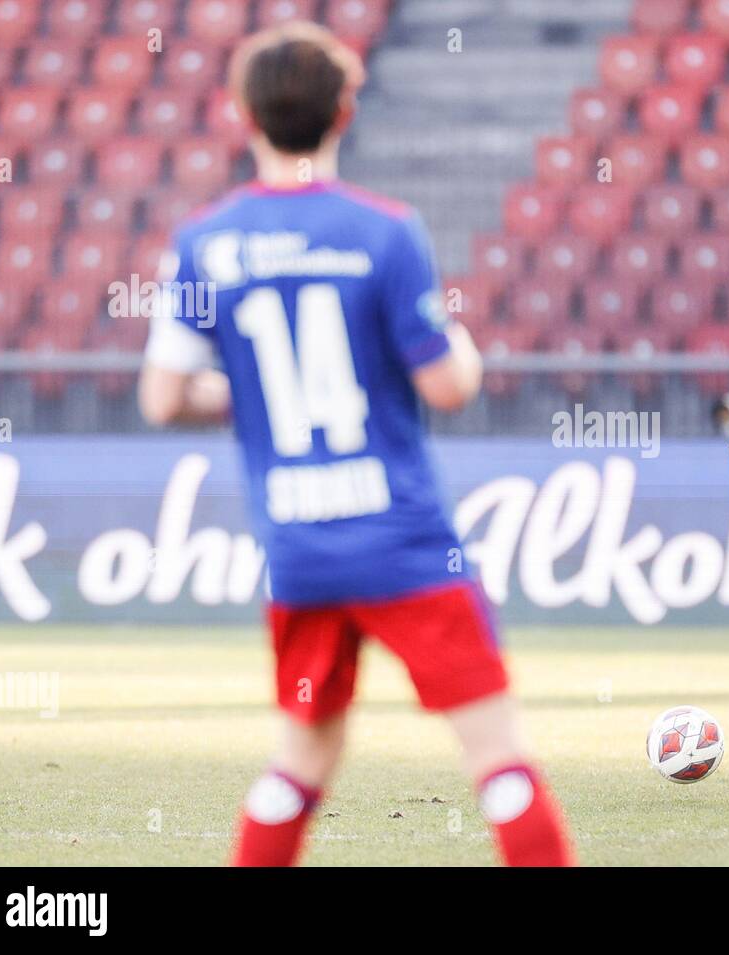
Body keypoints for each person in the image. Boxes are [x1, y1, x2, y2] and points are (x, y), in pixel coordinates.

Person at [138, 22, 574, 863]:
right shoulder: (383, 230)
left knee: (299, 762)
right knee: (498, 759)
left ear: (242, 114)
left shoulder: (205, 242)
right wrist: (465, 349)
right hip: (402, 544)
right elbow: (446, 384)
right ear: (345, 111)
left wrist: (256, 391)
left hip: (298, 549)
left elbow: (163, 397)